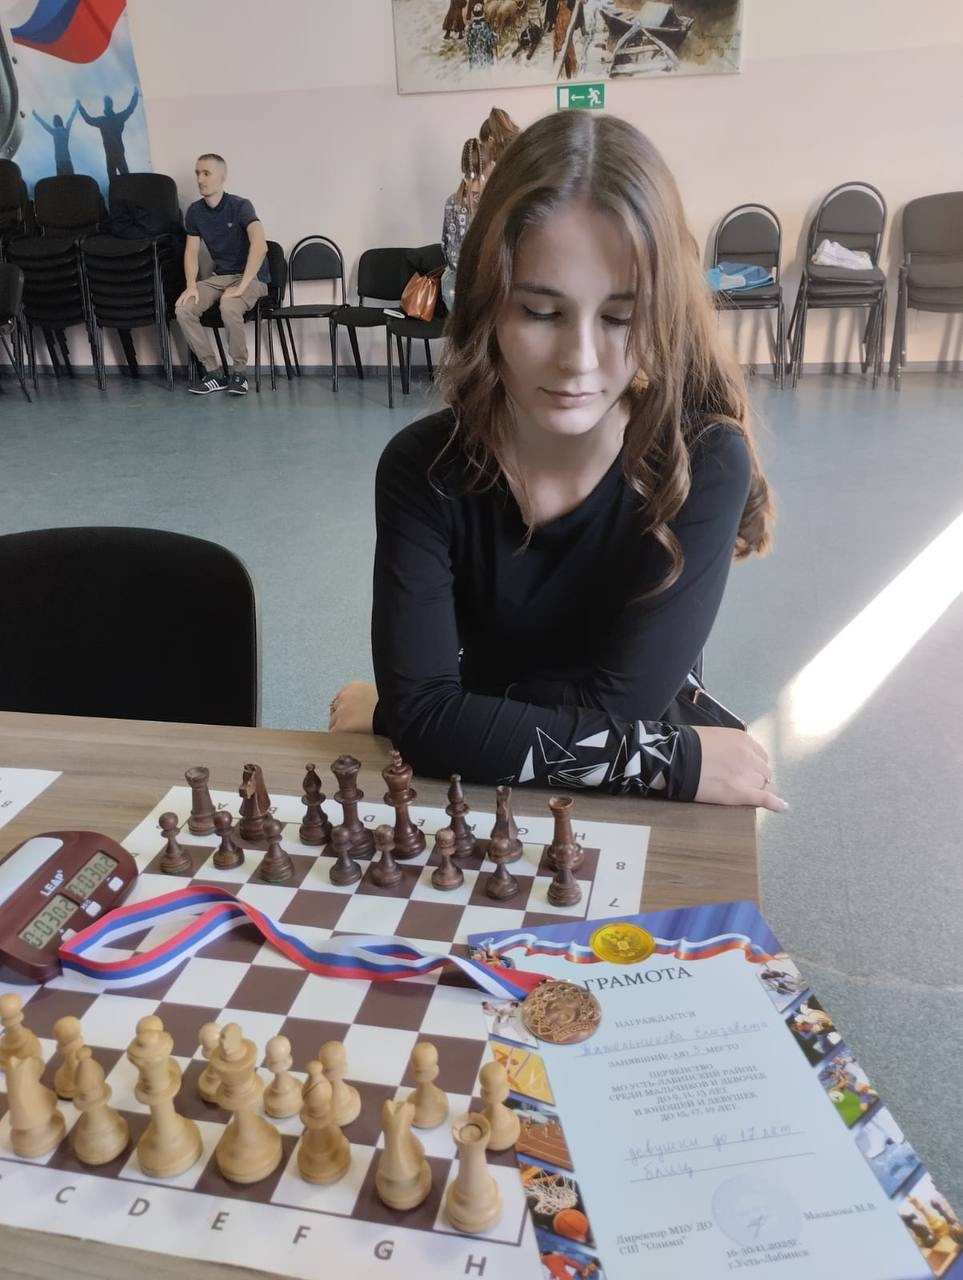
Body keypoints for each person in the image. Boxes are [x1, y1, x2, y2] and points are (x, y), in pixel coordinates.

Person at [331, 112, 786, 813]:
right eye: (541, 312)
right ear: (486, 303)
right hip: (518, 794)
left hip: (625, 804)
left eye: (619, 318)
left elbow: (614, 711)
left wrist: (414, 714)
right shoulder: (422, 468)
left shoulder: (702, 461)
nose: (579, 360)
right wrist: (668, 759)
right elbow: (431, 721)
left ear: (662, 313)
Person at [174, 153, 269, 395]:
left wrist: (241, 286)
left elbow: (260, 246)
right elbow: (191, 252)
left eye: (207, 173)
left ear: (222, 177)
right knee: (184, 308)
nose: (200, 179)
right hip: (220, 277)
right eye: (198, 173)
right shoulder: (195, 212)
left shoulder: (240, 206)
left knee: (229, 305)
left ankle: (239, 373)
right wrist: (191, 285)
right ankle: (213, 373)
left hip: (252, 277)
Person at [76, 90, 138, 181]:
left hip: (110, 156)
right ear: (112, 105)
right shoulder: (118, 118)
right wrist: (135, 95)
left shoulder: (103, 121)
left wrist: (80, 107)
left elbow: (88, 120)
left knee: (114, 181)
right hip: (119, 153)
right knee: (126, 179)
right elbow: (130, 108)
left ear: (105, 105)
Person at [32, 105, 77, 175]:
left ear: (55, 122)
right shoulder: (65, 130)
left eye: (54, 121)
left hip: (60, 160)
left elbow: (43, 124)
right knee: (71, 178)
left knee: (61, 179)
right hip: (65, 159)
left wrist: (35, 115)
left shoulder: (55, 131)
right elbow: (71, 117)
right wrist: (76, 106)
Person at [465, 3, 498, 68]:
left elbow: (468, 43)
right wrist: (495, 37)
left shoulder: (470, 27)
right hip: (486, 57)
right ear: (482, 12)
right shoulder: (485, 26)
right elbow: (491, 41)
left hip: (474, 58)